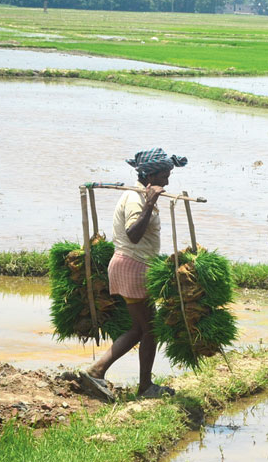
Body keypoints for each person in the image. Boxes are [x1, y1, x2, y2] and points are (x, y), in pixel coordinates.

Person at [80, 148, 188, 401]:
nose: (168, 181)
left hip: (135, 266)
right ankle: (133, 382)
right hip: (132, 267)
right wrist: (150, 202)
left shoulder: (139, 195)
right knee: (149, 328)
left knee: (142, 328)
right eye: (164, 175)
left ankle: (106, 373)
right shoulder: (135, 198)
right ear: (151, 175)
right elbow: (133, 234)